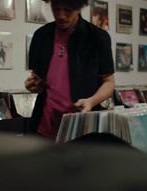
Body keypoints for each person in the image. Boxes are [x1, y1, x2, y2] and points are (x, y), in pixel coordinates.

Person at [24, 0, 115, 140]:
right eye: (56, 9)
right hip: (45, 126)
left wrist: (91, 101)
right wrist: (33, 85)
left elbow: (109, 83)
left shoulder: (97, 37)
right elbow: (37, 77)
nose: (61, 15)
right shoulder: (41, 36)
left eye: (67, 10)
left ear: (78, 8)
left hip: (82, 127)